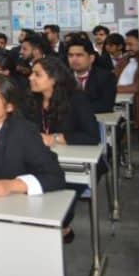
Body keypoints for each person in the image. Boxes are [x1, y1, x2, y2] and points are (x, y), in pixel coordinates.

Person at [26, 56, 100, 241]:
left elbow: (92, 136)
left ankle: (61, 226)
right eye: (31, 73)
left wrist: (56, 138)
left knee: (57, 197)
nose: (30, 78)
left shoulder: (76, 99)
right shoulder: (31, 99)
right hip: (39, 161)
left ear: (54, 78)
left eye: (37, 74)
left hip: (74, 164)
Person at [67, 38, 117, 114]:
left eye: (79, 55)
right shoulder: (62, 77)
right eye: (70, 55)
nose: (74, 59)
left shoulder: (106, 77)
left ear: (91, 58)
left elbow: (105, 106)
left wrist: (76, 109)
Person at [116, 29, 139, 128]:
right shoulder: (124, 59)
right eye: (126, 45)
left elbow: (137, 87)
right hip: (120, 101)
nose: (127, 48)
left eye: (130, 45)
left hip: (135, 104)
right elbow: (112, 77)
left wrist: (111, 89)